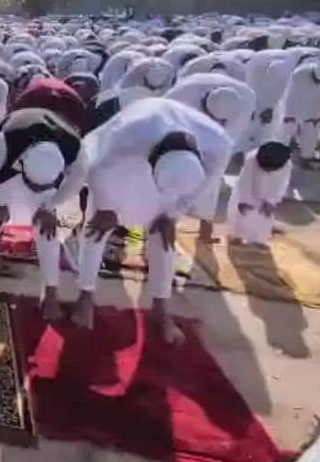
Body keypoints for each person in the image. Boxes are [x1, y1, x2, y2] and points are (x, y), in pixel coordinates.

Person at [76, 98, 231, 344]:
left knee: (164, 237)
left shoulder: (218, 142)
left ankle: (161, 307)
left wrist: (173, 213)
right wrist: (106, 208)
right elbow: (96, 169)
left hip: (173, 185)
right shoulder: (128, 136)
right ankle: (85, 297)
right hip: (121, 172)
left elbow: (207, 183)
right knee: (96, 229)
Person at [0, 108, 87, 318]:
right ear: (23, 163)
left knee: (48, 229)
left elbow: (77, 180)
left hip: (48, 186)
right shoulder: (6, 141)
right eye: (32, 185)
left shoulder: (75, 148)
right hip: (6, 175)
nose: (33, 191)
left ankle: (51, 293)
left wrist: (50, 205)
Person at [165, 73, 257, 241]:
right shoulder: (181, 96)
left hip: (217, 137)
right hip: (181, 133)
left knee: (212, 180)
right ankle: (162, 225)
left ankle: (205, 230)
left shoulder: (246, 99)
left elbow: (229, 141)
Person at [227, 141, 293, 246]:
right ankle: (236, 235)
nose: (267, 171)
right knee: (239, 214)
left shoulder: (287, 165)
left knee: (264, 217)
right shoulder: (251, 158)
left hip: (268, 195)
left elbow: (281, 185)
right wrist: (244, 200)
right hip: (248, 191)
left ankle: (258, 240)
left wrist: (271, 201)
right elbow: (245, 181)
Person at [282, 58, 320, 166]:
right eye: (317, 80)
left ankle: (306, 156)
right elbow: (292, 97)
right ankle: (281, 151)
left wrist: (317, 114)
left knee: (313, 124)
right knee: (288, 123)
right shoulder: (300, 73)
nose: (318, 83)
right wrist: (290, 114)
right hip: (300, 90)